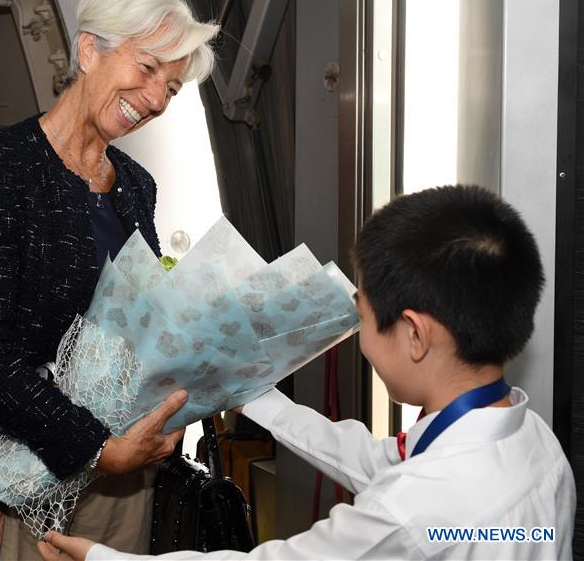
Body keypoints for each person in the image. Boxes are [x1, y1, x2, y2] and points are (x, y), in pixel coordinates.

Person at [38, 184, 576, 560]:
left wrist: (101, 559)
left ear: (414, 334)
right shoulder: (536, 446)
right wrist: (252, 393)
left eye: (360, 314)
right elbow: (380, 462)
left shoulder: (419, 508)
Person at [0, 0, 218, 561]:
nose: (158, 98)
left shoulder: (136, 185)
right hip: (9, 466)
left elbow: (134, 325)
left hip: (120, 473)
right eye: (147, 68)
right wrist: (93, 445)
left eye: (172, 87)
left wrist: (177, 398)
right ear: (89, 51)